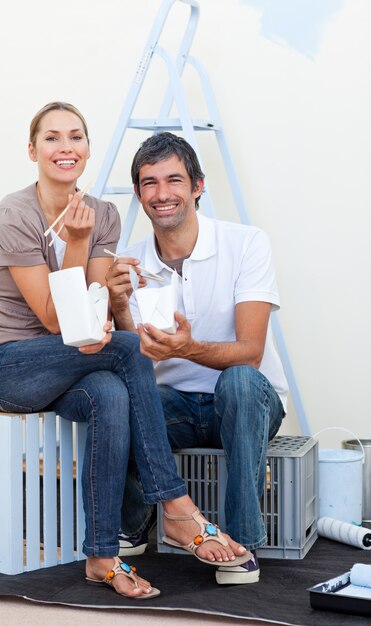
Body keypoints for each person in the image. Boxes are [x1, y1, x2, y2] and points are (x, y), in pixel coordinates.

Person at [0, 107, 250, 599]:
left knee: (111, 392)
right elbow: (57, 320)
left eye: (76, 136)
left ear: (88, 149)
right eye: (52, 138)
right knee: (131, 350)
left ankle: (100, 555)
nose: (65, 146)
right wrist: (75, 240)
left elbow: (86, 319)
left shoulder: (105, 215)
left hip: (71, 366)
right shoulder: (14, 215)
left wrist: (112, 302)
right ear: (33, 151)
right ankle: (175, 505)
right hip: (15, 366)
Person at [105, 132, 289, 585]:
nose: (162, 194)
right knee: (119, 397)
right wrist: (120, 309)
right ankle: (135, 524)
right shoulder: (128, 262)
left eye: (174, 180)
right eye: (149, 183)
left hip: (248, 402)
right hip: (174, 406)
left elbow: (251, 350)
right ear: (138, 193)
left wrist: (186, 347)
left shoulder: (246, 243)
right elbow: (134, 362)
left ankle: (241, 541)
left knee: (241, 380)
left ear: (198, 186)